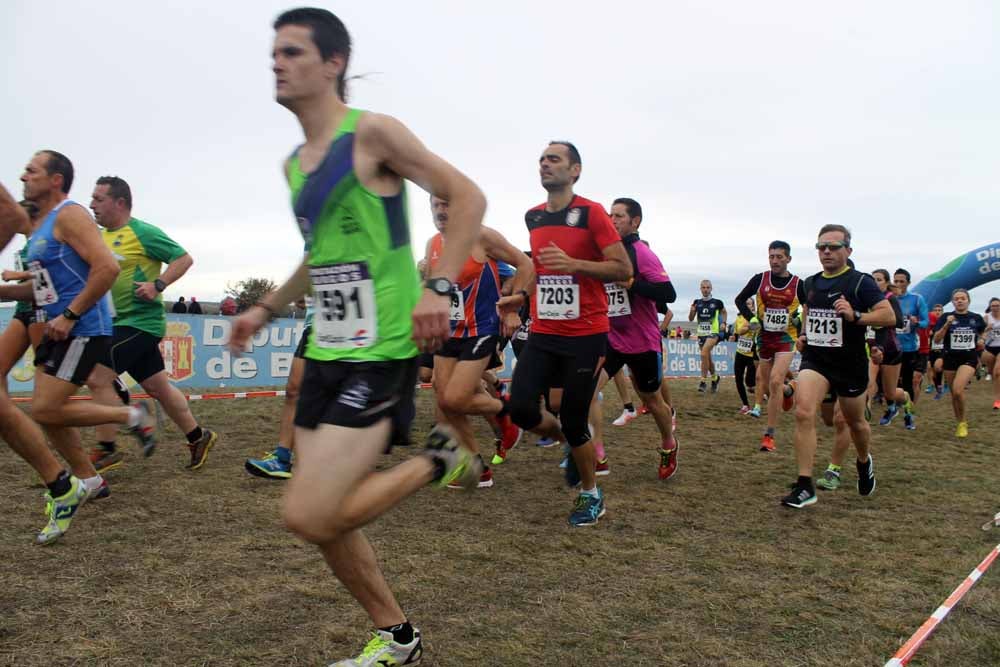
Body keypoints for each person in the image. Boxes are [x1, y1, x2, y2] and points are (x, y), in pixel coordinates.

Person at [228, 9, 487, 665]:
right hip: (327, 347)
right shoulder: (295, 165)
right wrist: (266, 309)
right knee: (325, 517)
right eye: (274, 53)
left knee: (308, 514)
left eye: (292, 52)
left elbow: (468, 196)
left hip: (385, 346)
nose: (277, 63)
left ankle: (437, 459)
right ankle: (397, 633)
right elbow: (320, 257)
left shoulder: (370, 133)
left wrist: (441, 286)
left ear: (334, 62)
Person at [0, 153, 157, 542]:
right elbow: (41, 288)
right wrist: (6, 290)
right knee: (50, 416)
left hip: (83, 328)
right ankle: (79, 483)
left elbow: (107, 267)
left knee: (44, 409)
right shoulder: (39, 230)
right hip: (57, 329)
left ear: (55, 180)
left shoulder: (70, 215)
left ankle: (131, 416)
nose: (23, 175)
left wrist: (69, 314)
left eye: (32, 171)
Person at [505, 141, 631, 526]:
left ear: (575, 170)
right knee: (522, 408)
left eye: (554, 159)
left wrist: (574, 264)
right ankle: (571, 445)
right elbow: (536, 268)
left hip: (586, 334)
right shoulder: (533, 217)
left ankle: (591, 495)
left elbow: (622, 269)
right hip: (543, 331)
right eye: (542, 159)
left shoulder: (592, 214)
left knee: (575, 418)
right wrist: (519, 296)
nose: (545, 164)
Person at [86, 176, 218, 471]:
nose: (92, 205)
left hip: (139, 323)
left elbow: (183, 258)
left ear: (119, 203)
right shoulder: (97, 235)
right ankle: (198, 437)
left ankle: (108, 448)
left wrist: (158, 284)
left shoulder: (143, 232)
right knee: (158, 387)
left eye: (98, 199)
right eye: (91, 199)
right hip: (114, 324)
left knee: (97, 377)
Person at [424, 195, 534, 487]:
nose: (440, 210)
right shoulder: (433, 244)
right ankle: (477, 468)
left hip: (481, 329)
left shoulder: (481, 236)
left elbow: (526, 265)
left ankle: (507, 413)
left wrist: (513, 306)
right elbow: (433, 288)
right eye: (435, 204)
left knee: (455, 398)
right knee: (443, 396)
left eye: (447, 203)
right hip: (449, 331)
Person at [782, 224, 894, 509]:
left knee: (856, 423)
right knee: (804, 411)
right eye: (822, 247)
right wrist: (805, 335)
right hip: (817, 360)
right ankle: (805, 485)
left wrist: (856, 315)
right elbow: (808, 312)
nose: (827, 252)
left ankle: (863, 460)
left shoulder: (860, 282)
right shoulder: (810, 283)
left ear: (848, 250)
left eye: (833, 246)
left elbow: (888, 316)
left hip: (850, 363)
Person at [587, 197, 677, 480]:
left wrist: (633, 283)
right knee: (587, 391)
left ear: (635, 221)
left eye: (619, 216)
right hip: (612, 339)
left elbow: (668, 293)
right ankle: (598, 455)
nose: (612, 220)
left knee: (652, 401)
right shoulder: (604, 252)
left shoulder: (641, 254)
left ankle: (668, 443)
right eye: (610, 215)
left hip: (642, 342)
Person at [734, 241, 806, 451]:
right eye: (771, 257)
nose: (775, 261)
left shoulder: (798, 284)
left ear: (788, 259)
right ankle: (790, 389)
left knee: (774, 381)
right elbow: (739, 299)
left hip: (786, 339)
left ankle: (769, 436)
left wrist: (798, 321)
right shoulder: (760, 279)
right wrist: (751, 317)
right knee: (764, 384)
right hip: (764, 338)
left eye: (779, 257)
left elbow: (806, 308)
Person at [246, 296, 310, 479]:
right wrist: (308, 298)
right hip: (315, 328)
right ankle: (281, 459)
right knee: (293, 391)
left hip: (352, 332)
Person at [932, 289, 987, 438]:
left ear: (968, 301)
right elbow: (937, 339)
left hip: (969, 358)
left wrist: (982, 339)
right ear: (953, 302)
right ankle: (960, 422)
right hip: (950, 358)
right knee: (954, 395)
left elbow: (983, 331)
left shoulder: (976, 318)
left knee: (957, 390)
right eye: (956, 299)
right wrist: (946, 325)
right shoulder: (945, 317)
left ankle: (963, 423)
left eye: (963, 298)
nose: (960, 301)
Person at [688, 280, 726, 393]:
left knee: (704, 353)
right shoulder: (696, 302)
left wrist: (723, 323)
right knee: (707, 358)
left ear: (711, 288)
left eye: (708, 287)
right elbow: (690, 318)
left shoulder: (717, 302)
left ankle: (703, 381)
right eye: (703, 287)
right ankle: (715, 378)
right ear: (700, 289)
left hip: (713, 333)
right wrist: (692, 311)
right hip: (701, 334)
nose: (705, 289)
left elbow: (724, 312)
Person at [732, 300, 759, 415]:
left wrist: (749, 327)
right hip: (740, 352)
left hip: (752, 354)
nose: (747, 306)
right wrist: (748, 327)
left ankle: (764, 393)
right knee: (738, 379)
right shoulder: (739, 318)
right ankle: (745, 405)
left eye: (750, 304)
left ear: (753, 306)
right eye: (746, 304)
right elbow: (739, 332)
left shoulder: (757, 318)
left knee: (750, 382)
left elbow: (757, 328)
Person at [982, 297, 1000, 410]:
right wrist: (986, 330)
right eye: (993, 306)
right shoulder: (986, 318)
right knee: (994, 374)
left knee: (998, 372)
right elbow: (979, 333)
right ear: (990, 307)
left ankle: (998, 400)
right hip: (989, 348)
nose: (995, 307)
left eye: (997, 305)